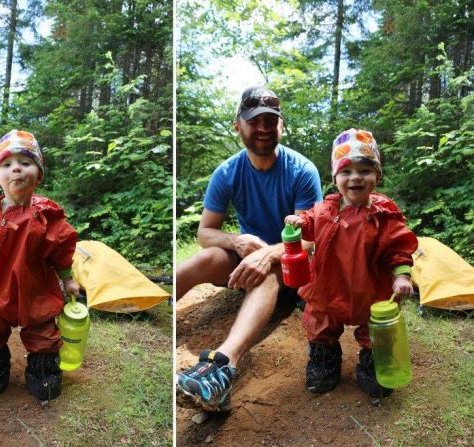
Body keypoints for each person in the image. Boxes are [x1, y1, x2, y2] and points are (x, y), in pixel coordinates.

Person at [175, 86, 323, 412]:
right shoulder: (227, 172)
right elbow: (205, 233)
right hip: (246, 263)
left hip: (294, 267)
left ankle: (222, 365)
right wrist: (236, 241)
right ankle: (151, 305)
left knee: (268, 271)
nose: (264, 129)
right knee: (210, 256)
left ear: (281, 126)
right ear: (238, 125)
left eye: (271, 121)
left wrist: (269, 253)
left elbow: (311, 235)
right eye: (255, 121)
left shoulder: (301, 170)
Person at [283, 128, 416, 399]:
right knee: (321, 321)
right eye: (346, 171)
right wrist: (300, 222)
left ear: (377, 176)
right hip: (330, 286)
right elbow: (310, 225)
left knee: (376, 326)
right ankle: (324, 359)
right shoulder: (324, 210)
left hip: (371, 288)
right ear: (335, 178)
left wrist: (402, 275)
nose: (355, 177)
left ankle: (374, 362)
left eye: (365, 170)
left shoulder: (385, 214)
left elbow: (399, 248)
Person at [0, 130, 80, 403]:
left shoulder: (48, 215)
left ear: (39, 173)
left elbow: (62, 248)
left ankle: (43, 368)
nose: (16, 170)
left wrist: (68, 279)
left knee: (43, 328)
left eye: (25, 162)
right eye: (7, 164)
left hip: (35, 287)